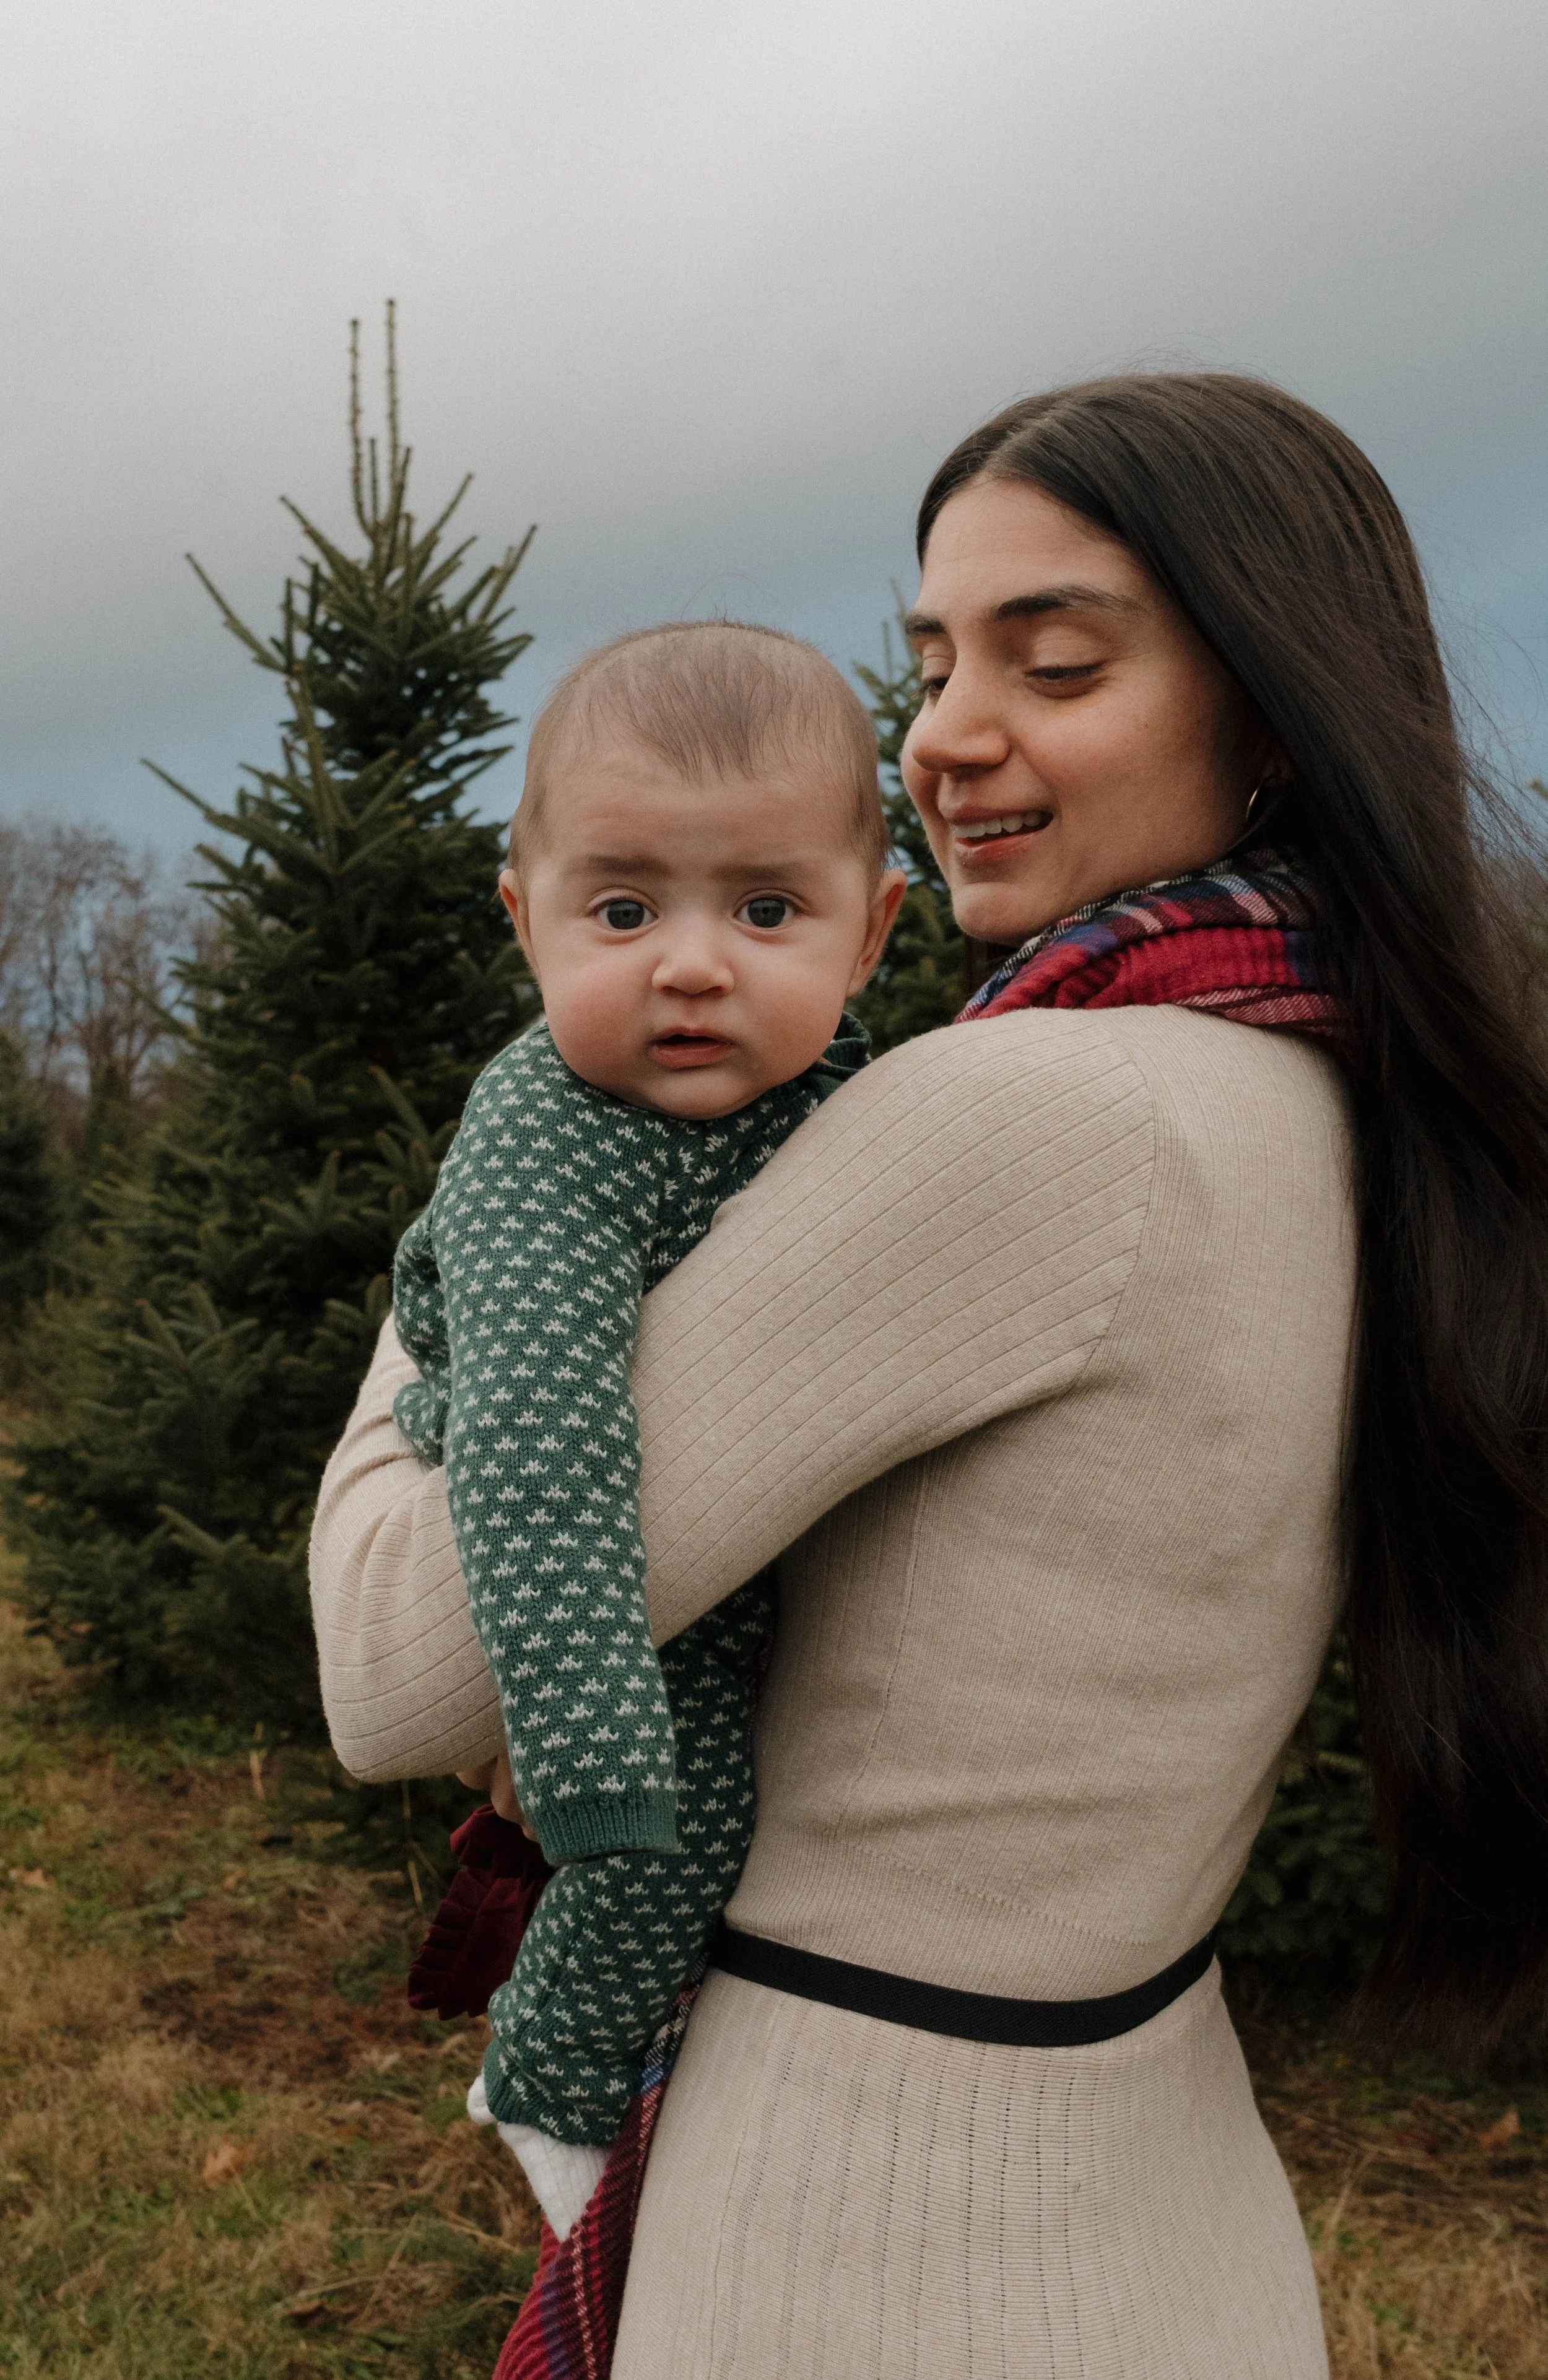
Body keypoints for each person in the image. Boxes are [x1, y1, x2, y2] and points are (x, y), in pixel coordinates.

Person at [310, 373, 1548, 2379]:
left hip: (872, 2239)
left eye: (1050, 663)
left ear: (1273, 705)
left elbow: (400, 1664)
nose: (945, 734)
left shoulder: (1030, 1113)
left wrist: (493, 1214)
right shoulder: (1324, 1082)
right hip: (1149, 2179)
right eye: (933, 656)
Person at [388, 619, 902, 2238]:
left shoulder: (850, 1091)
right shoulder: (555, 1135)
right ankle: (543, 2080)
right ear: (522, 923)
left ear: (873, 931)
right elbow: (547, 1471)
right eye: (621, 909)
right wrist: (593, 1762)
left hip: (698, 1489)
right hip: (545, 1438)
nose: (691, 963)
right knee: (677, 1829)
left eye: (765, 908)